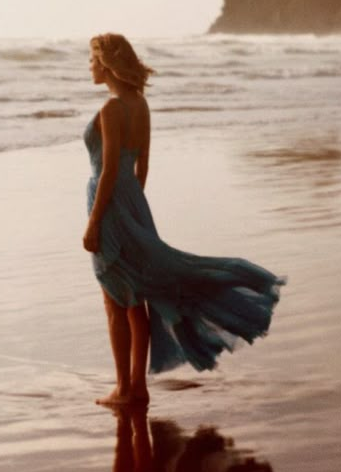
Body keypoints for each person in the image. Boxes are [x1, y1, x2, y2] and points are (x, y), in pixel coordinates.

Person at [83, 33, 285, 407]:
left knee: (116, 301)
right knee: (135, 299)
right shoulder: (139, 104)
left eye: (93, 60)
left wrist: (97, 222)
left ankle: (124, 389)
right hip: (132, 203)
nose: (89, 67)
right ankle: (136, 387)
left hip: (110, 205)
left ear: (108, 64)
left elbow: (109, 169)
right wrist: (133, 208)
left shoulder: (110, 110)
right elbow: (141, 166)